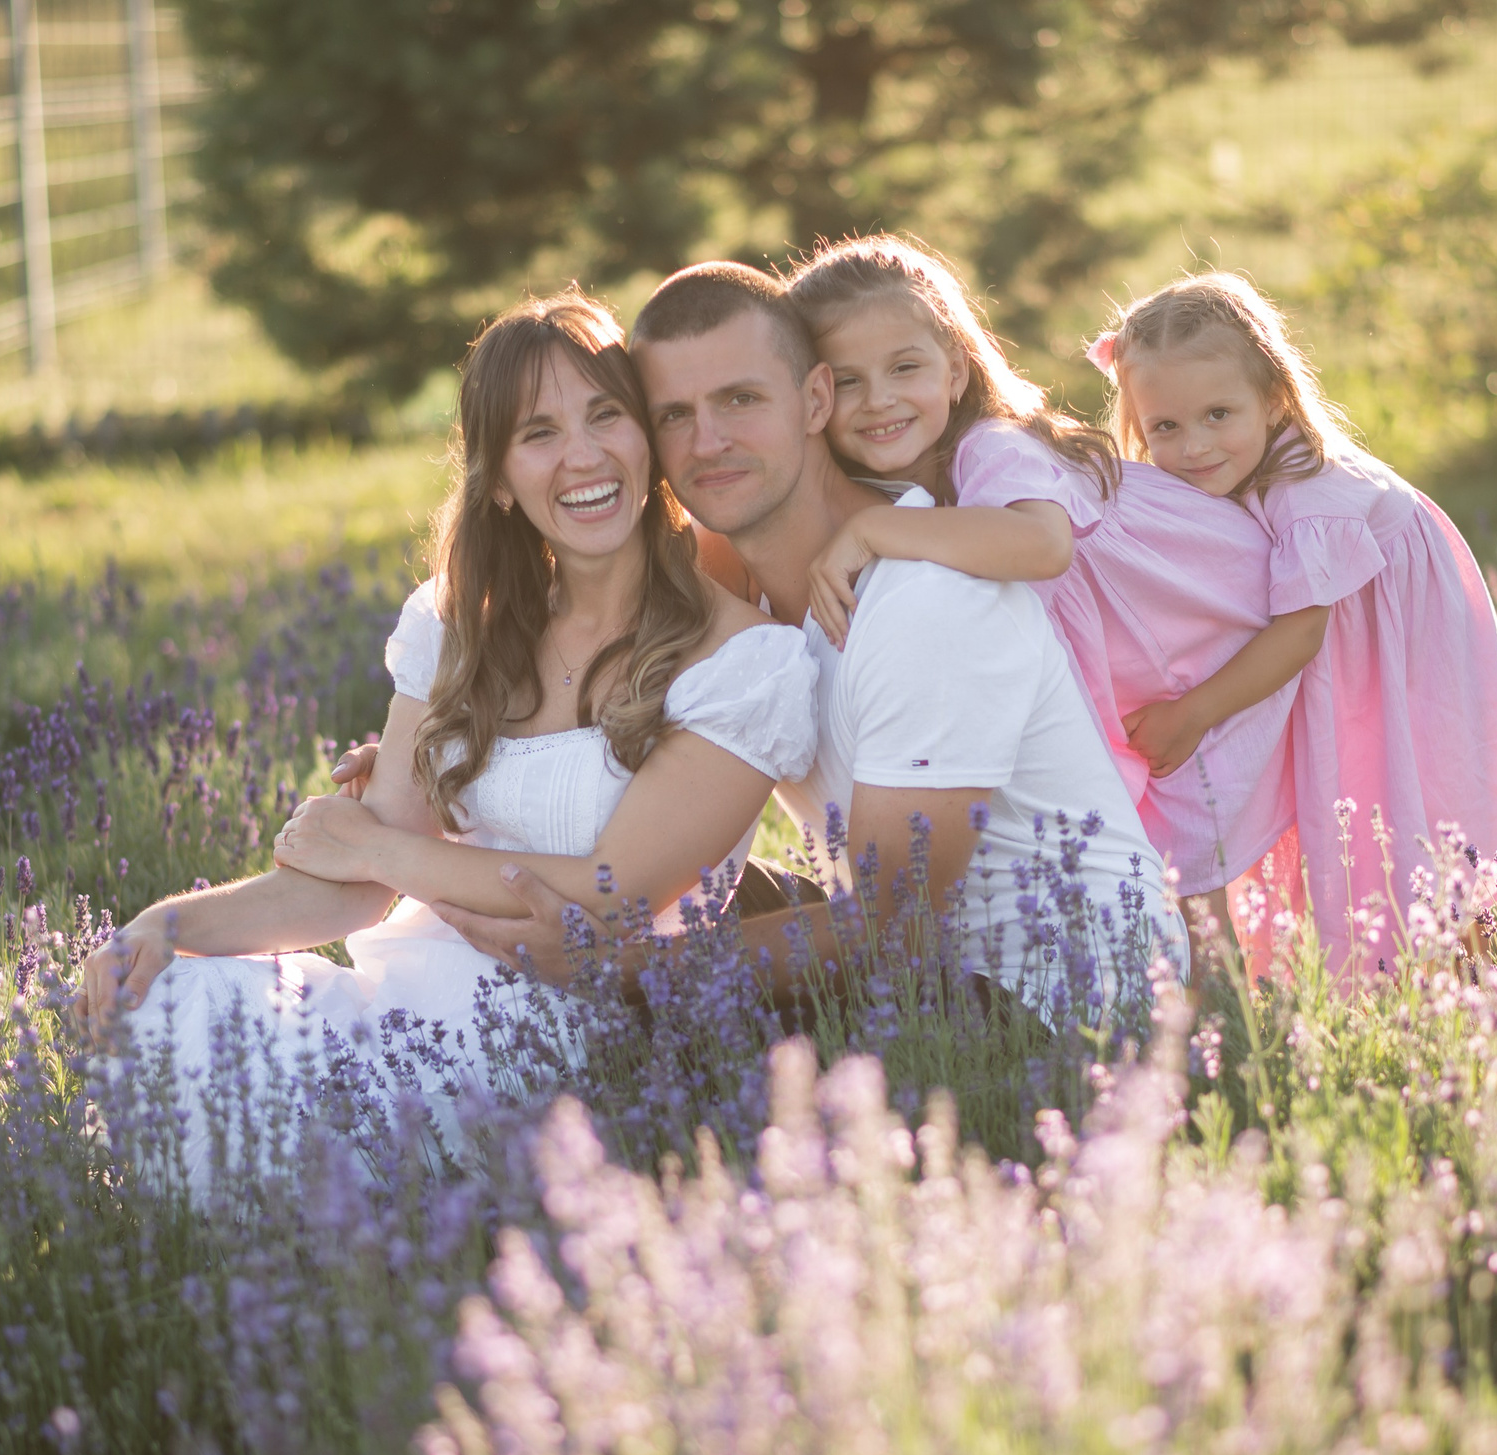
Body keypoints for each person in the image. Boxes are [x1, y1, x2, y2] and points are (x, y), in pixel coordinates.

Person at [77, 290, 817, 1189]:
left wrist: (385, 849)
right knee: (164, 1006)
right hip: (402, 1003)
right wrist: (170, 924)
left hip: (570, 1045)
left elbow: (608, 898)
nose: (583, 456)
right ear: (500, 477)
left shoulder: (742, 663)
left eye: (605, 415)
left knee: (329, 1146)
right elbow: (351, 896)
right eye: (539, 433)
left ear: (646, 441)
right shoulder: (459, 624)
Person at [424, 262, 1181, 1011]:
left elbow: (898, 926)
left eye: (740, 399)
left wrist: (626, 965)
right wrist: (452, 749)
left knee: (652, 983)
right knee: (683, 905)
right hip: (918, 968)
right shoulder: (721, 594)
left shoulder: (928, 596)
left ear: (815, 398)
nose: (709, 441)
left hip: (1060, 999)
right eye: (673, 415)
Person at [774, 234, 1294, 957]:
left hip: (1219, 635)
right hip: (1143, 663)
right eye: (850, 381)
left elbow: (1042, 547)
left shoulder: (992, 447)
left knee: (1189, 860)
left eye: (904, 367)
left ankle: (1223, 1047)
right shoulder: (918, 476)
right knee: (1170, 852)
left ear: (955, 369)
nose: (880, 400)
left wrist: (873, 530)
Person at [1089, 272, 1497, 975]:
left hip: (1399, 622)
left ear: (1273, 400)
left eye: (1218, 414)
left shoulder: (1307, 492)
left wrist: (1192, 713)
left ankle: (1463, 962)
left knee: (1408, 778)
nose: (1194, 446)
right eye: (1165, 428)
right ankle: (1383, 956)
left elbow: (1298, 635)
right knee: (1355, 780)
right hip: (1349, 620)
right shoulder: (1239, 468)